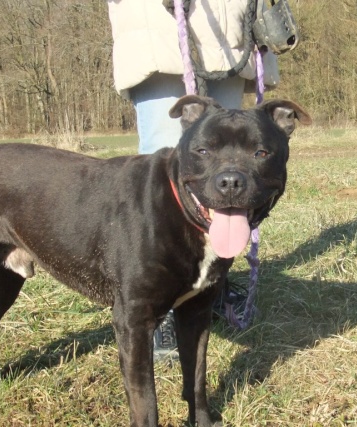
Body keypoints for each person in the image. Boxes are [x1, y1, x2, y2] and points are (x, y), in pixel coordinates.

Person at [107, 0, 281, 359]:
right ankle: (160, 299)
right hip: (158, 27)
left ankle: (207, 285)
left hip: (231, 28)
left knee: (234, 154)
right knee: (165, 173)